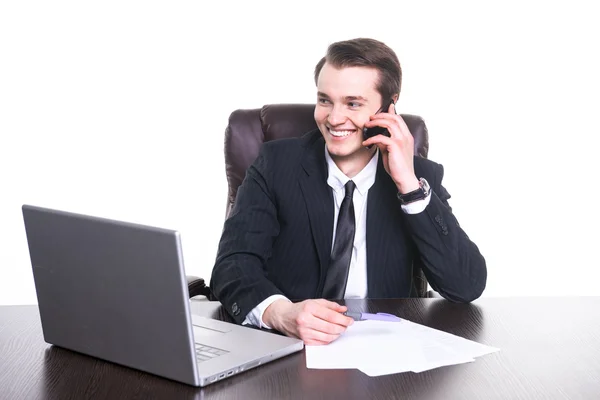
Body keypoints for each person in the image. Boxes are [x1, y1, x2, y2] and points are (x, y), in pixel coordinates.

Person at [210, 38, 487, 345]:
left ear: (389, 107)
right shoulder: (275, 164)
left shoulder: (419, 177)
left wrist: (407, 185)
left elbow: (466, 286)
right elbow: (232, 265)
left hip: (386, 351)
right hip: (290, 348)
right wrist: (280, 313)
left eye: (353, 103)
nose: (333, 118)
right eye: (325, 100)